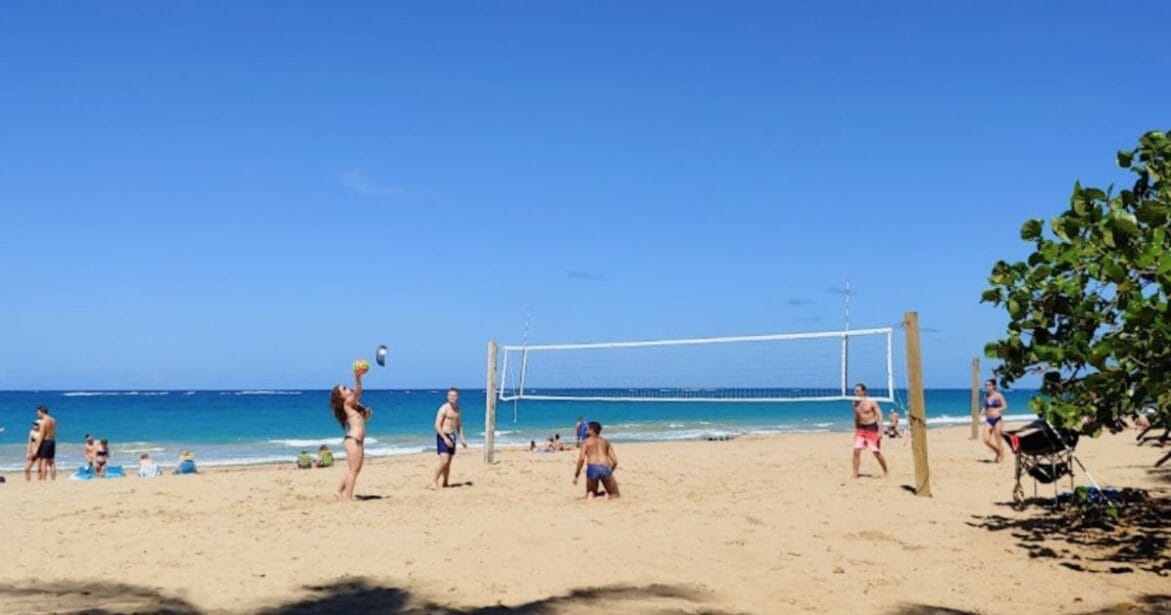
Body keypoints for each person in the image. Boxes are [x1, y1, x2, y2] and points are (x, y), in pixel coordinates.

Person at [331, 366, 371, 500]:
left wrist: (365, 416)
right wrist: (358, 378)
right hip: (353, 440)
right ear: (341, 397)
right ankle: (348, 497)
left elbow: (360, 421)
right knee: (354, 470)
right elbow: (358, 393)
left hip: (355, 440)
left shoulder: (352, 406)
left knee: (353, 470)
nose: (347, 389)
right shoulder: (347, 403)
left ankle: (338, 491)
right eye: (344, 389)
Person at [432, 387, 468, 489]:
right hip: (443, 435)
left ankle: (446, 482)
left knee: (448, 462)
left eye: (454, 396)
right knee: (444, 460)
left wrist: (462, 439)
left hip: (452, 436)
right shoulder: (444, 408)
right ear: (447, 397)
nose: (452, 397)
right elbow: (437, 425)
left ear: (457, 397)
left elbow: (459, 426)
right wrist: (445, 438)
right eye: (450, 395)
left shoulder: (457, 410)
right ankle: (434, 482)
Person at [573, 421, 620, 499]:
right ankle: (606, 496)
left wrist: (576, 475)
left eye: (587, 429)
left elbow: (581, 459)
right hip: (605, 467)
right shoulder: (605, 442)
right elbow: (615, 461)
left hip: (592, 468)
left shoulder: (585, 442)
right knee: (615, 494)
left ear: (592, 430)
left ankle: (591, 496)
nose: (586, 431)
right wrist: (609, 471)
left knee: (591, 493)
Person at [851, 384, 889, 478]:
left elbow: (880, 416)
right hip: (861, 428)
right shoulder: (854, 403)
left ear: (864, 391)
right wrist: (856, 430)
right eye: (855, 391)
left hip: (872, 428)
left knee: (876, 452)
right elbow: (856, 417)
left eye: (858, 391)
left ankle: (885, 470)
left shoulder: (872, 402)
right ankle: (855, 473)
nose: (856, 393)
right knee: (856, 451)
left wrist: (880, 431)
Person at [982, 379, 1008, 463]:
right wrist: (981, 413)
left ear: (993, 386)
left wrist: (997, 410)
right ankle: (998, 451)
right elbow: (986, 407)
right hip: (989, 420)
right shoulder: (985, 396)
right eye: (986, 385)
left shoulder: (998, 395)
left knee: (998, 439)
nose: (987, 386)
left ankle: (1002, 456)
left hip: (997, 420)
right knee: (986, 440)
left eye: (989, 385)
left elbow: (1005, 406)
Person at [34, 405, 57, 481]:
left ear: (42, 412)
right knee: (51, 462)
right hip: (52, 441)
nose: (37, 414)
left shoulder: (43, 422)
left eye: (38, 413)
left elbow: (41, 435)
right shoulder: (54, 420)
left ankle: (44, 479)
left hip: (46, 441)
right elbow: (53, 432)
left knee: (44, 461)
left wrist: (37, 448)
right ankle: (53, 479)